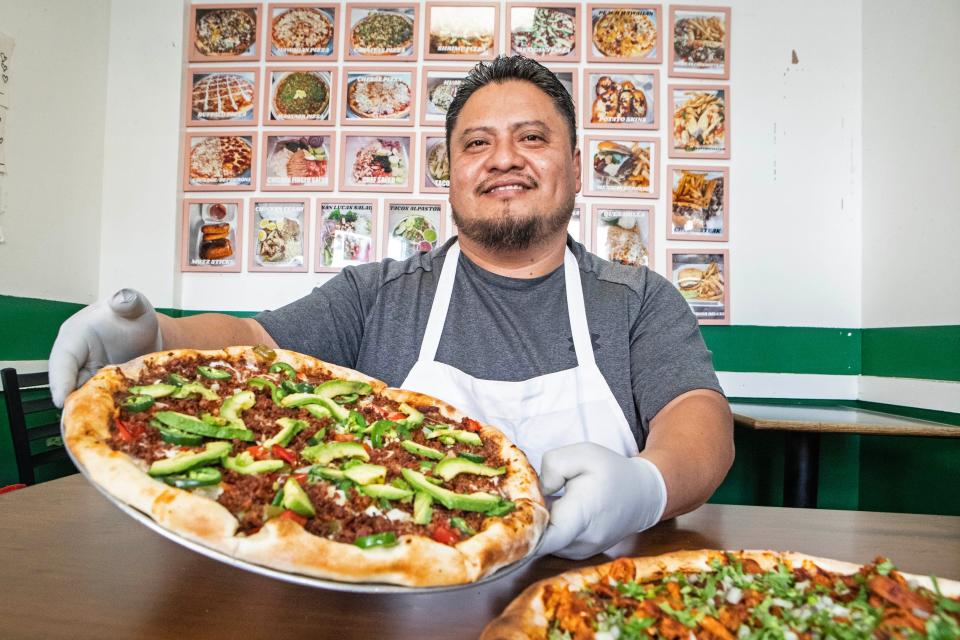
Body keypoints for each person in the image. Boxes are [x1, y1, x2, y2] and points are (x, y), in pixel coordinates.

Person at [49, 55, 733, 560]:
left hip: (589, 605)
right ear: (451, 173)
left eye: (532, 138)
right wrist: (154, 336)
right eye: (476, 143)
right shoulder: (377, 293)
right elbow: (255, 341)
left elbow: (699, 421)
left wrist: (645, 485)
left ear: (577, 167)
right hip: (398, 606)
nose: (503, 159)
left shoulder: (639, 300)